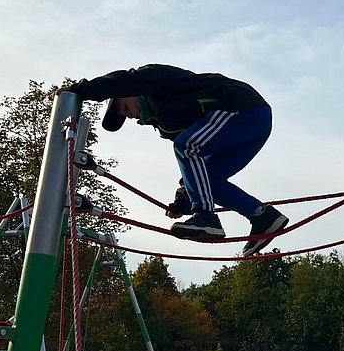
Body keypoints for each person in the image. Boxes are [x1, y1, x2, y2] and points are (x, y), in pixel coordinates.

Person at [66, 64, 288, 256]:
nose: (127, 114)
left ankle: (206, 217)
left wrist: (83, 91)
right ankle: (263, 217)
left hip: (240, 107)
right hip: (251, 127)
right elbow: (195, 166)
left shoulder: (155, 83)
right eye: (124, 115)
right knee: (209, 180)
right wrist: (183, 198)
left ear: (131, 92)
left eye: (123, 106)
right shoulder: (166, 125)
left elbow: (128, 79)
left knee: (186, 146)